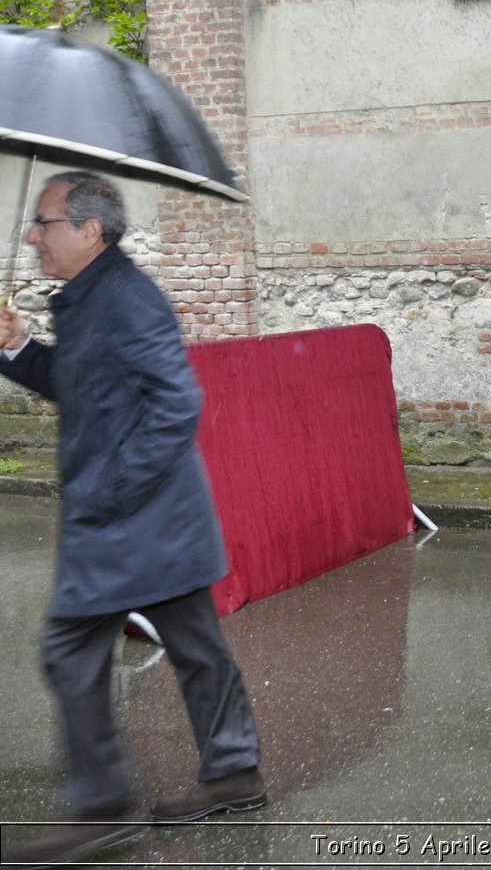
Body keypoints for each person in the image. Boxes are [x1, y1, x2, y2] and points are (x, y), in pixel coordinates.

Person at [0, 172, 265, 869]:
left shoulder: (128, 298)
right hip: (144, 517)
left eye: (44, 222)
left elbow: (178, 403)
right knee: (197, 646)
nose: (32, 235)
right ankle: (234, 769)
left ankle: (102, 805)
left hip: (133, 517)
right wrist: (18, 347)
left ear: (90, 230)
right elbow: (78, 385)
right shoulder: (88, 296)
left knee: (71, 649)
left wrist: (111, 487)